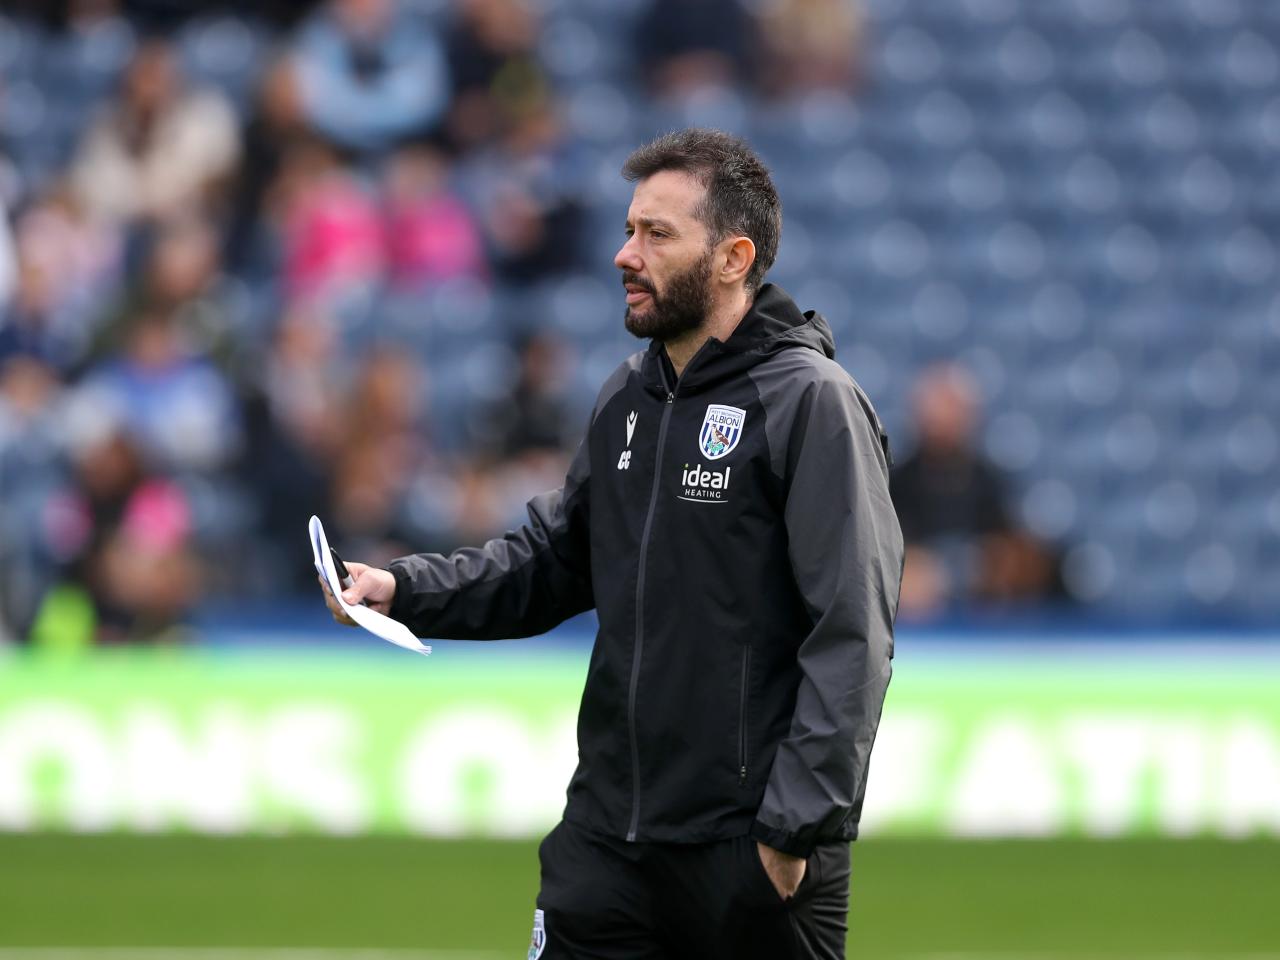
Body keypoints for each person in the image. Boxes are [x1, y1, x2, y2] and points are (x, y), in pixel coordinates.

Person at [321, 129, 903, 959]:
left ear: (733, 258)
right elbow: (552, 563)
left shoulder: (811, 403)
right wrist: (402, 589)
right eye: (630, 230)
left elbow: (852, 636)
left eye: (657, 234)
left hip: (745, 851)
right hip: (606, 843)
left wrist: (790, 835)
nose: (626, 255)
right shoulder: (628, 396)